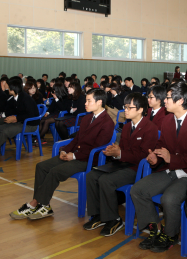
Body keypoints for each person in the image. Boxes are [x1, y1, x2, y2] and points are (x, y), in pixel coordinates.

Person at [9, 89, 114, 220]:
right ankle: (44, 205)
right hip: (76, 155)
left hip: (89, 160)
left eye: (88, 101)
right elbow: (76, 140)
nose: (85, 104)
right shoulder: (87, 118)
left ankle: (34, 203)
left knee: (55, 171)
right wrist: (65, 150)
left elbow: (96, 148)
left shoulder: (107, 122)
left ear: (99, 102)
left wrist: (74, 156)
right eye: (86, 100)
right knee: (41, 166)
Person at [131, 81, 187, 253]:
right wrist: (155, 156)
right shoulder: (167, 121)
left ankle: (170, 234)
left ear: (180, 100)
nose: (164, 101)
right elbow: (162, 145)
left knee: (169, 199)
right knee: (138, 190)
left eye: (167, 98)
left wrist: (170, 157)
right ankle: (153, 230)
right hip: (169, 169)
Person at [84, 93, 159, 235]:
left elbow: (143, 156)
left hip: (137, 168)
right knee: (92, 176)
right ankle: (98, 215)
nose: (125, 110)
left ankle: (114, 219)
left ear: (140, 109)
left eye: (129, 107)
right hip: (123, 164)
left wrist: (119, 154)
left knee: (106, 181)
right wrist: (114, 152)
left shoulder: (150, 128)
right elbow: (122, 151)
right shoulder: (126, 127)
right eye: (125, 107)